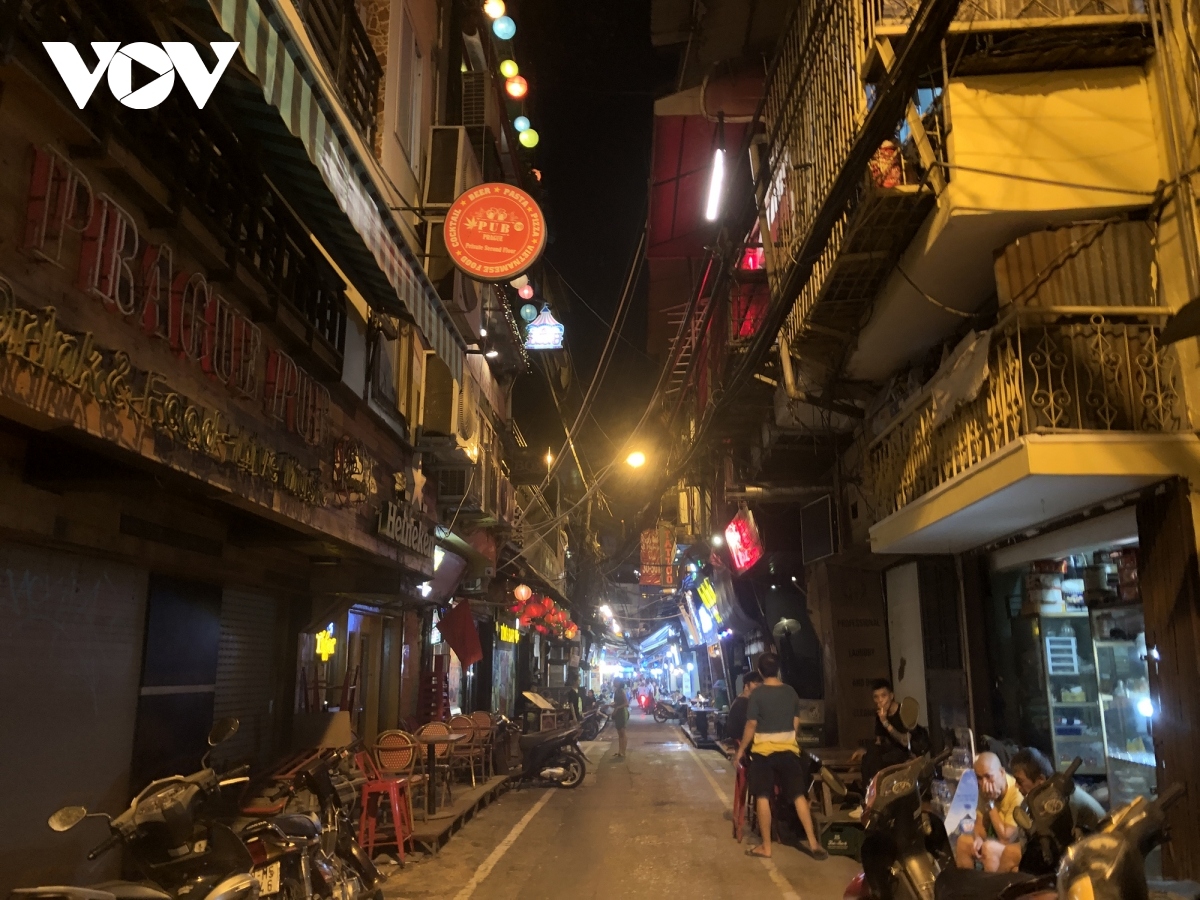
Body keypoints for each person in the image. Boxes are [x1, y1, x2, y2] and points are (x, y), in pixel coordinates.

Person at [734, 652, 828, 860]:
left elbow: (751, 725)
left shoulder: (757, 695)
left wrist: (740, 751)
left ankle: (766, 847)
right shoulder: (790, 692)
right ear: (778, 669)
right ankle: (813, 843)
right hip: (788, 752)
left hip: (763, 754)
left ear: (760, 671)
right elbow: (796, 723)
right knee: (798, 795)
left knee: (763, 796)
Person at [1005, 747, 1106, 874]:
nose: (1016, 786)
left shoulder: (1061, 803)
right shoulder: (1042, 800)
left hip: (1097, 859)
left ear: (1040, 780)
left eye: (1020, 781)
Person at [955, 752, 1024, 872]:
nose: (984, 783)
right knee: (963, 842)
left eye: (988, 776)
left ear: (1001, 772)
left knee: (989, 848)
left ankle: (990, 889)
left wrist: (990, 804)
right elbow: (979, 825)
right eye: (979, 778)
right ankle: (968, 888)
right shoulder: (983, 789)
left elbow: (1006, 839)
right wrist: (978, 839)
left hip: (1011, 846)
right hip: (994, 838)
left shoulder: (1016, 794)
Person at [854, 679, 911, 787]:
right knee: (869, 756)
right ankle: (868, 790)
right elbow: (879, 741)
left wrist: (885, 722)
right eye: (876, 697)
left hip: (903, 751)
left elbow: (905, 741)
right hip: (887, 751)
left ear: (891, 696)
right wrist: (866, 749)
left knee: (879, 759)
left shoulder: (902, 712)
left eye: (883, 696)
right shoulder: (879, 714)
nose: (880, 700)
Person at [725, 672, 763, 745]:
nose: (759, 687)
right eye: (756, 684)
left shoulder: (742, 700)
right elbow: (748, 727)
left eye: (760, 685)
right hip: (744, 743)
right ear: (746, 686)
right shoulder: (742, 704)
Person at [612, 679, 630, 759]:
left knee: (623, 732)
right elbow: (616, 703)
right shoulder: (616, 691)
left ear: (619, 683)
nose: (614, 683)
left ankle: (623, 751)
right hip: (617, 713)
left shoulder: (622, 691)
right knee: (619, 733)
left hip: (622, 712)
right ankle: (620, 751)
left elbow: (626, 703)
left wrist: (618, 708)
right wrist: (611, 705)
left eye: (616, 681)